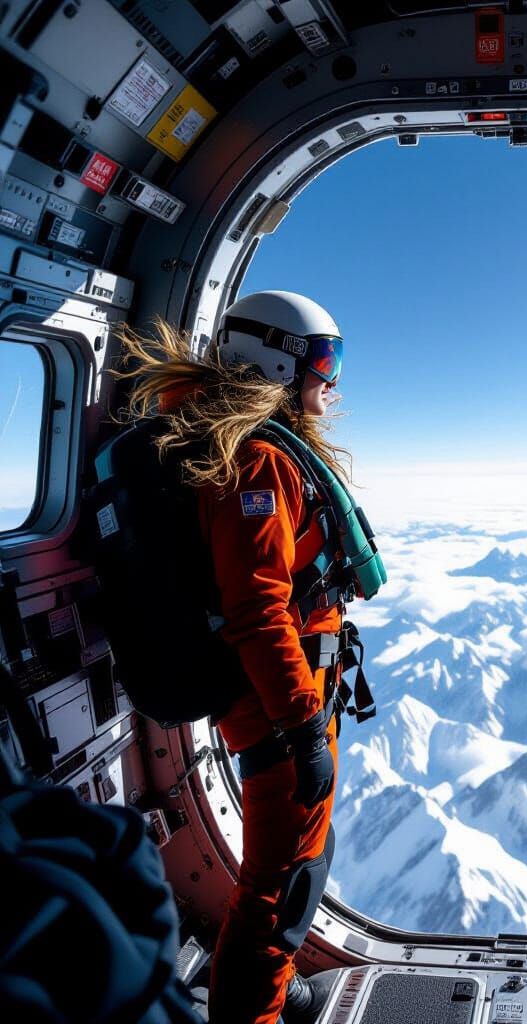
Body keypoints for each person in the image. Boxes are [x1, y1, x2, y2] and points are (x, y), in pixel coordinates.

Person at [115, 292, 351, 1024]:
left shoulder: (259, 448)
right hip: (279, 709)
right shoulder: (255, 461)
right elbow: (257, 611)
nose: (330, 381)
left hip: (291, 698)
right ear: (276, 359)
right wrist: (304, 727)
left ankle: (262, 993)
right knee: (280, 886)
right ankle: (253, 1012)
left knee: (296, 868)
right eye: (323, 360)